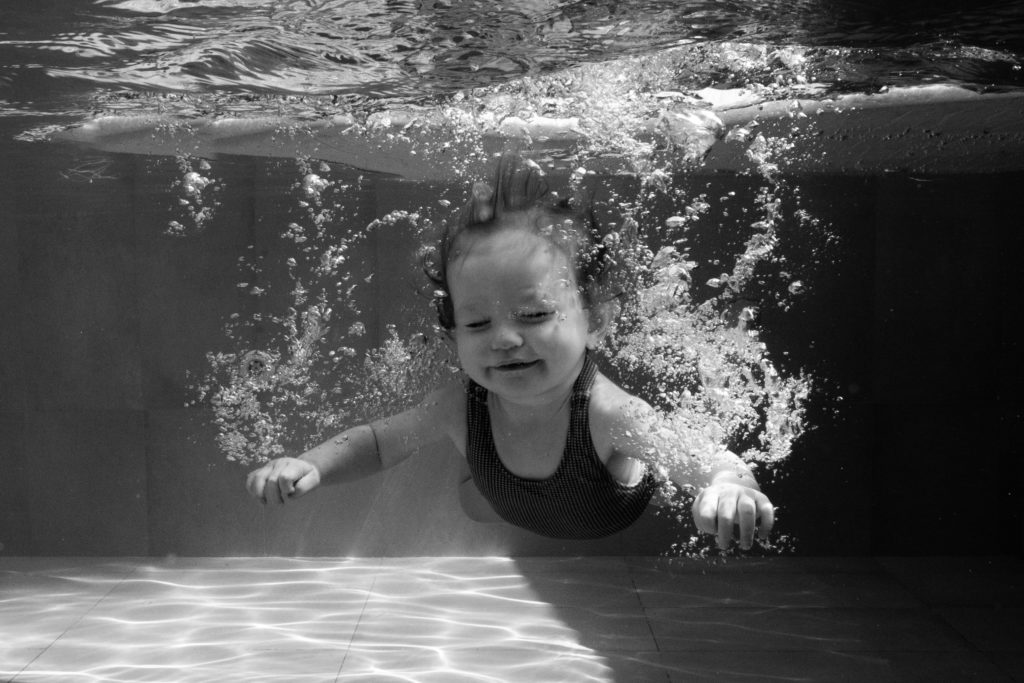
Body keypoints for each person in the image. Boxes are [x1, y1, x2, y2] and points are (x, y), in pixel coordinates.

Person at [245, 153, 773, 550]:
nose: (502, 339)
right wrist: (312, 464)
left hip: (606, 507)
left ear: (598, 321)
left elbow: (708, 461)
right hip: (499, 501)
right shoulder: (457, 403)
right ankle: (476, 459)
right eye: (477, 322)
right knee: (474, 495)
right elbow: (381, 443)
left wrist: (729, 486)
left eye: (535, 314)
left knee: (483, 485)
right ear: (454, 339)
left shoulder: (613, 414)